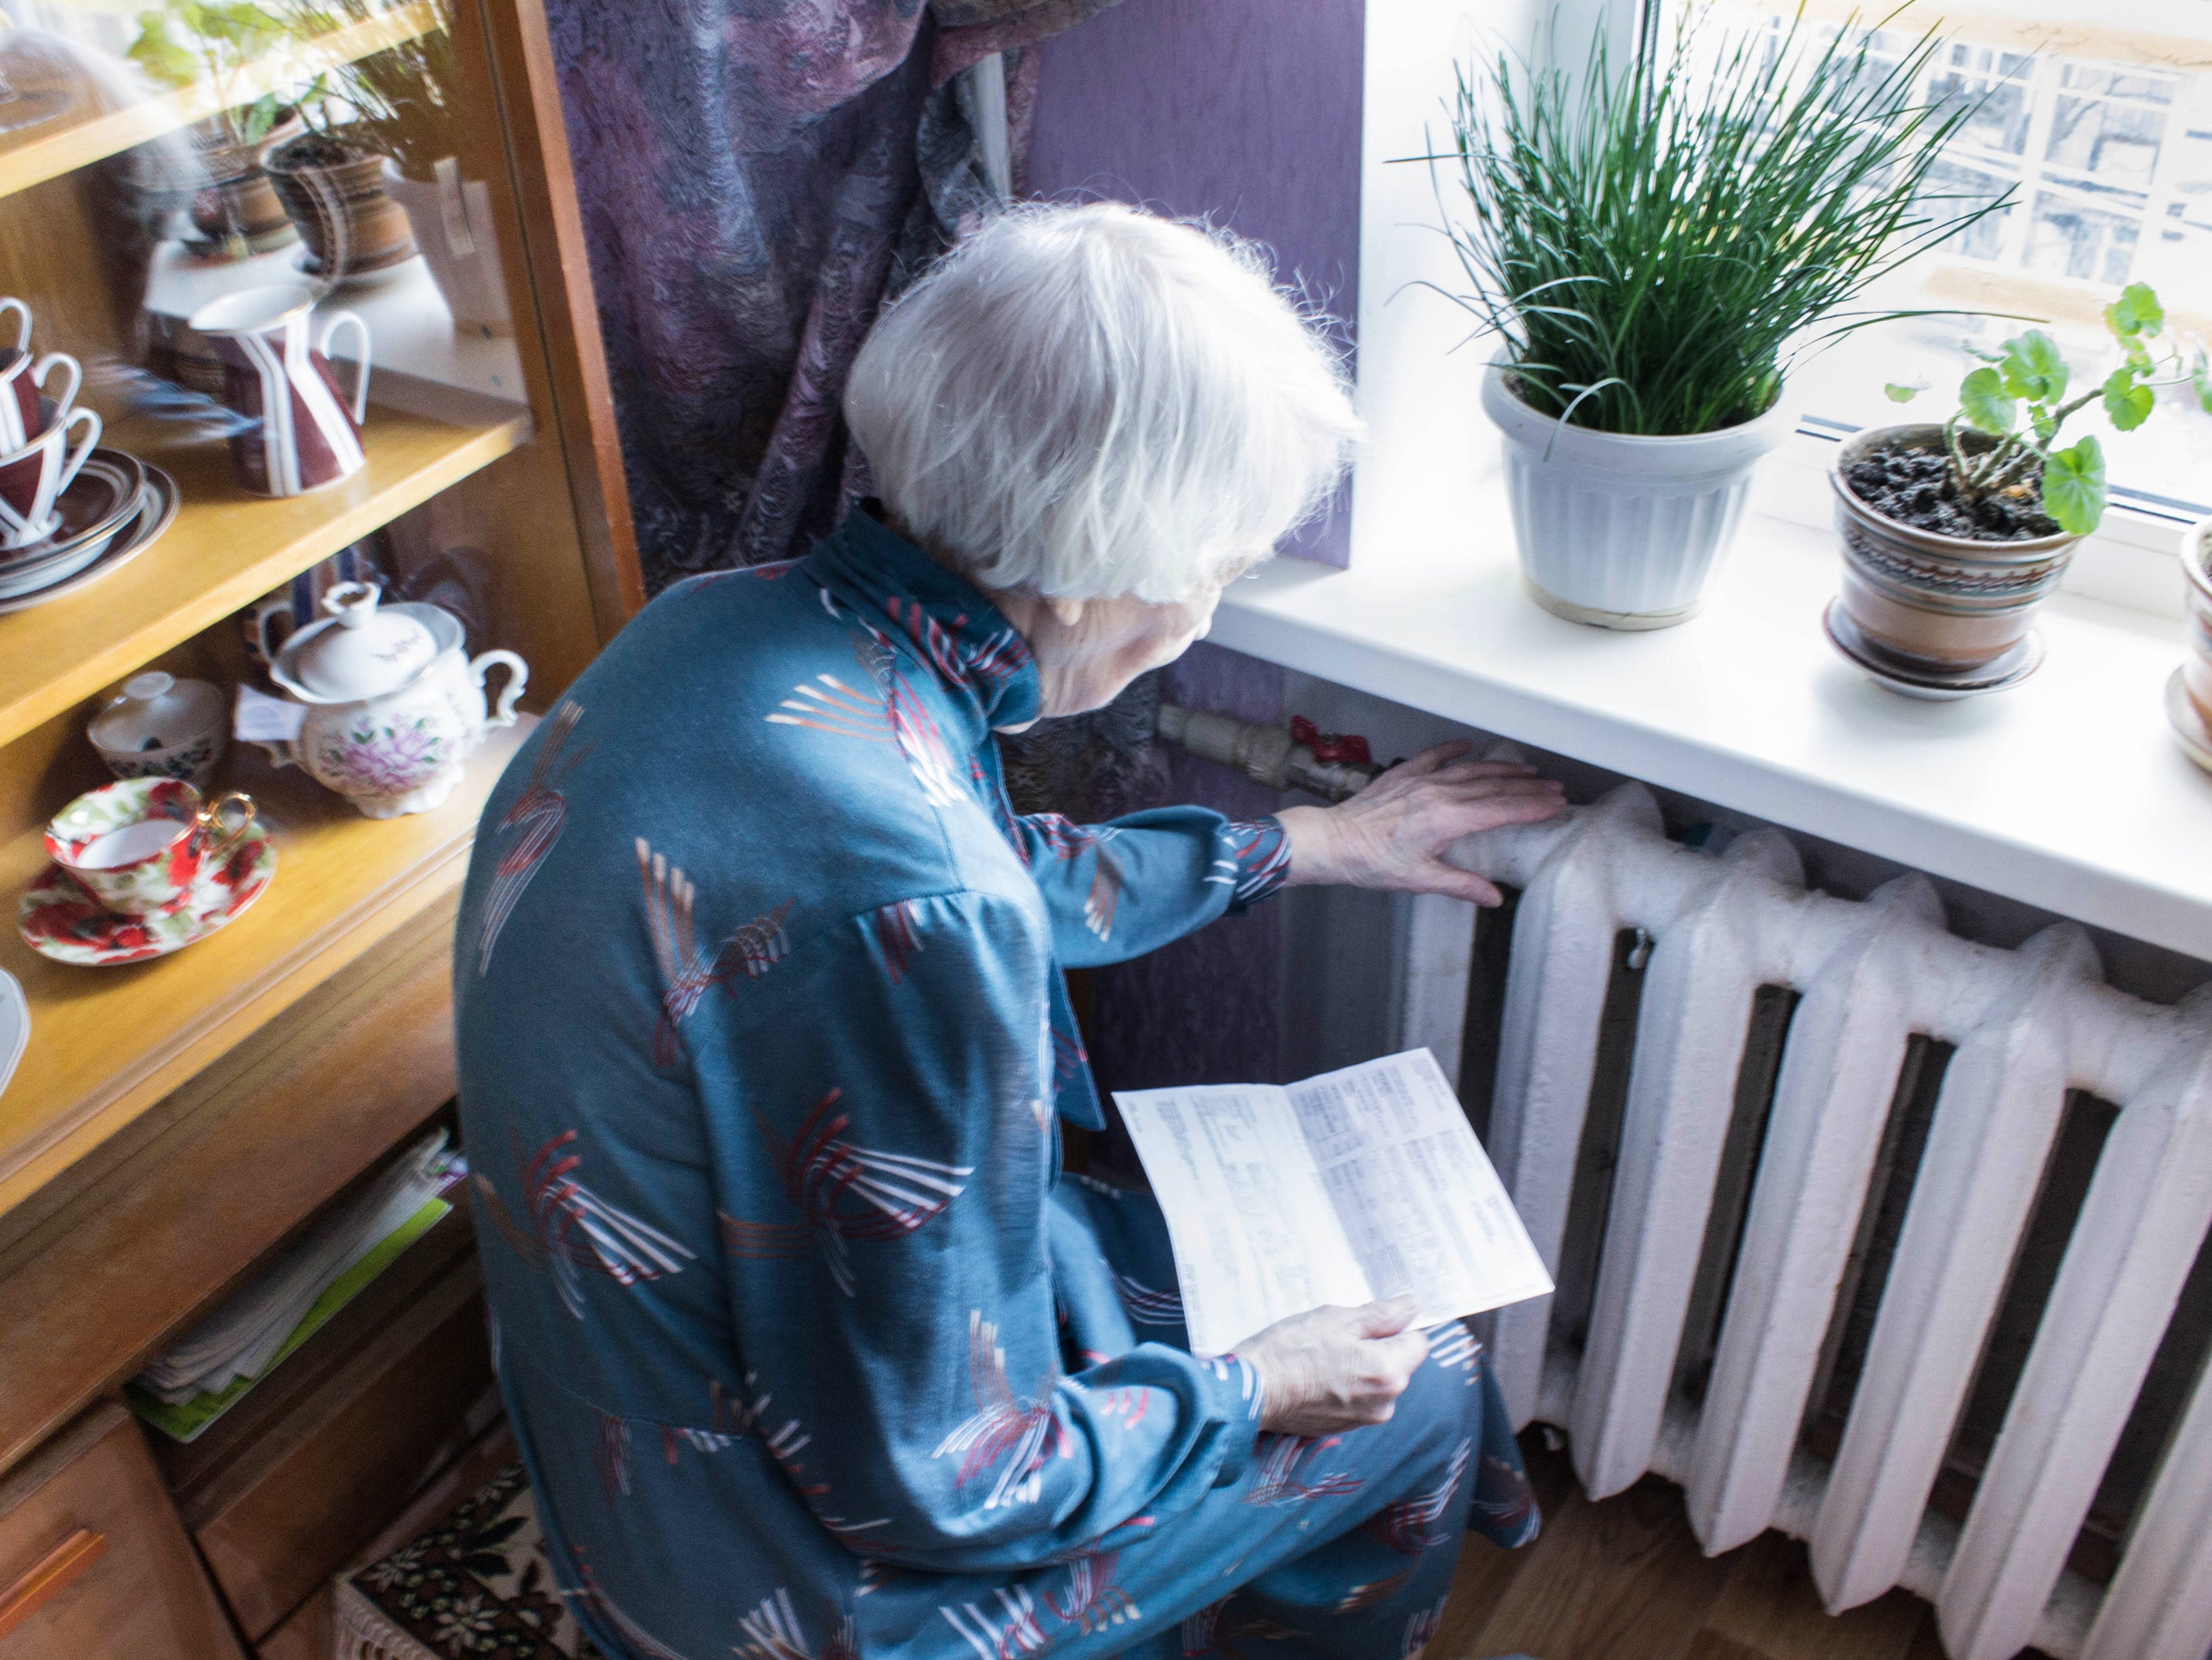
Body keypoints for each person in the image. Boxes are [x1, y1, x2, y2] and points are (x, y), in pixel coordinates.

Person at [454, 201, 1567, 1660]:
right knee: (1415, 1376)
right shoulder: (917, 901)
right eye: (1223, 562)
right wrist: (1250, 1385)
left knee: (1162, 1261)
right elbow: (950, 1490)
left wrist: (1304, 842)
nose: (1209, 608)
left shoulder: (736, 625)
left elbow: (963, 871)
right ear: (1101, 574)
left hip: (619, 1406)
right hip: (773, 1584)